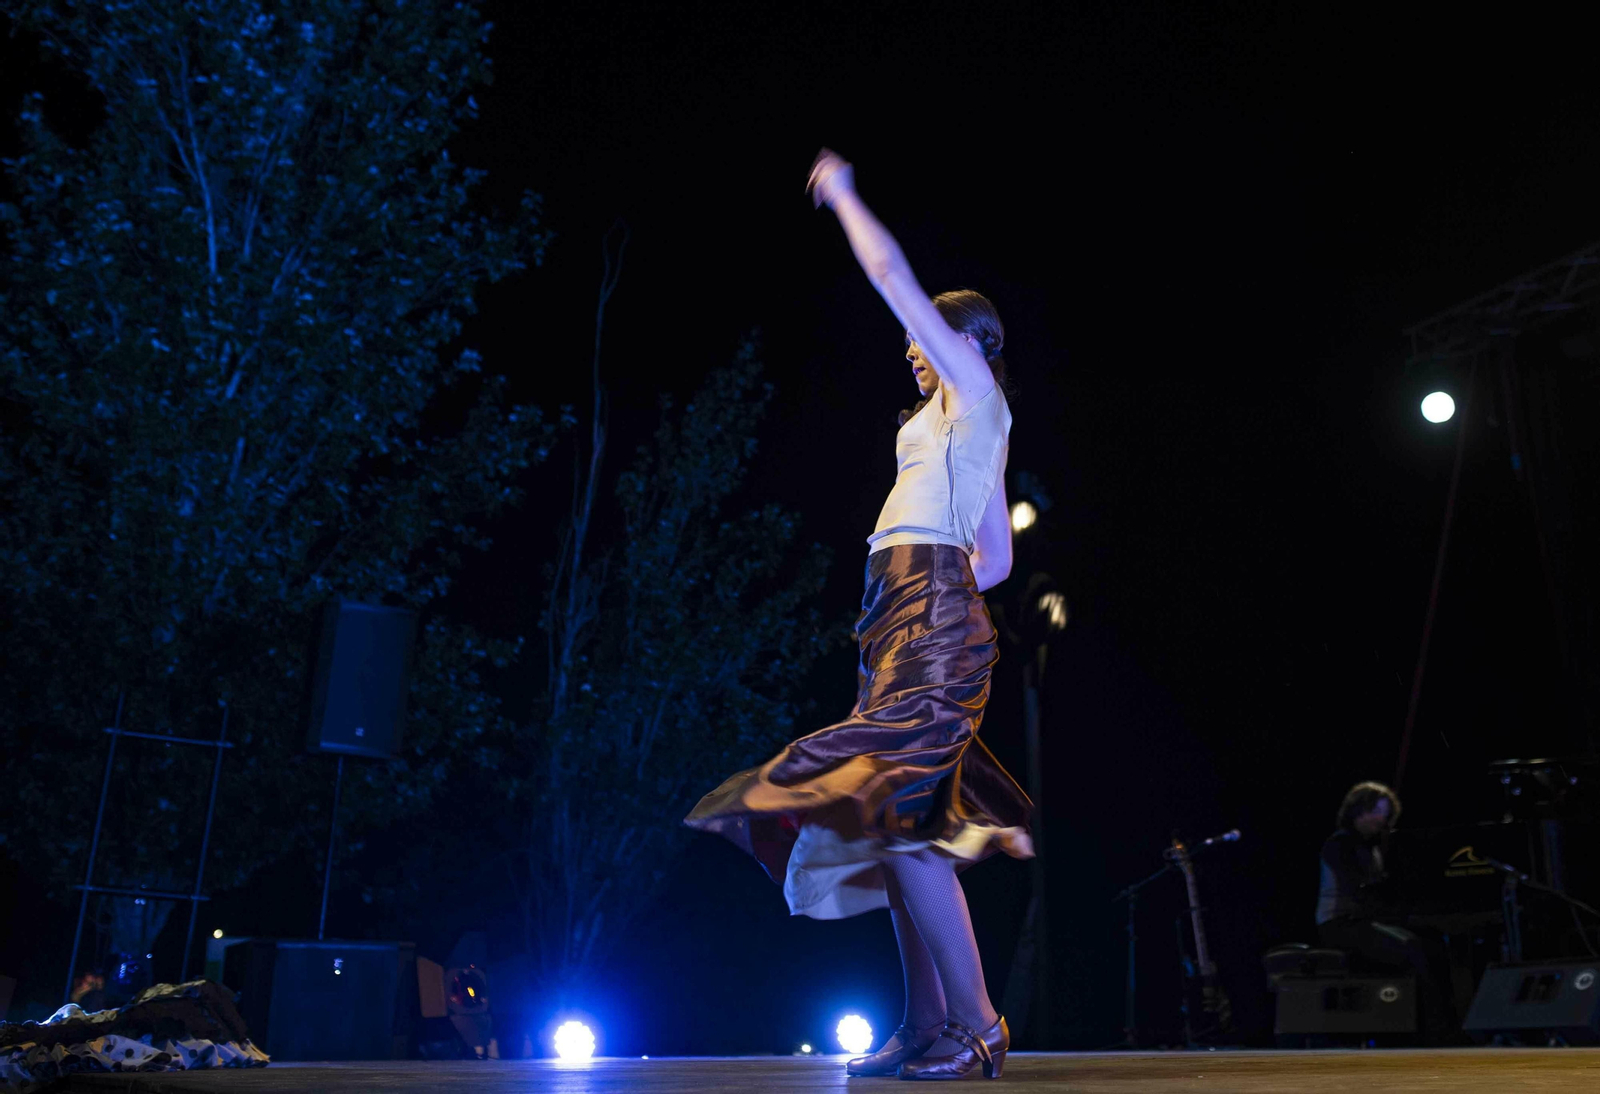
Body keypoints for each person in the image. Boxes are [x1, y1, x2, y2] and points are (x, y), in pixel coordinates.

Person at [684, 149, 1032, 1081]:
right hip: (905, 615)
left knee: (904, 822)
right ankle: (927, 1024)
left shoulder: (974, 392)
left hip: (927, 613)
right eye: (913, 343)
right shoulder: (953, 426)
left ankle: (979, 1025)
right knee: (889, 818)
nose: (912, 350)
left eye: (927, 339)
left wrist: (841, 196)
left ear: (970, 344)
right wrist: (928, 587)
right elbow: (997, 558)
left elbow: (889, 275)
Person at [1315, 781, 1457, 1039]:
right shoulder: (1339, 845)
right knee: (1411, 948)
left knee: (1434, 943)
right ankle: (1431, 1030)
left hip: (1365, 920)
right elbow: (1359, 894)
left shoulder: (1371, 847)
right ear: (1358, 811)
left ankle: (1447, 1022)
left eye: (1386, 813)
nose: (1383, 819)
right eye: (1377, 812)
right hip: (1339, 924)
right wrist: (1401, 916)